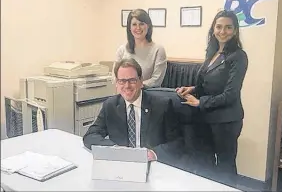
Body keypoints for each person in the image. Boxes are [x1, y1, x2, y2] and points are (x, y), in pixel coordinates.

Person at [176, 10, 248, 186]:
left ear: (235, 30)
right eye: (219, 26)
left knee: (225, 166)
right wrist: (192, 89)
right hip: (206, 116)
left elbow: (230, 94)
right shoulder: (213, 52)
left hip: (226, 121)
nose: (223, 31)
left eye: (228, 27)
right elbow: (207, 84)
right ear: (213, 29)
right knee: (206, 163)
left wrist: (200, 102)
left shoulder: (238, 56)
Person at [83, 58, 182, 163]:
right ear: (116, 83)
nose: (127, 86)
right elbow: (90, 136)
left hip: (153, 164)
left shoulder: (162, 105)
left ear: (141, 81)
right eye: (122, 81)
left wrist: (153, 153)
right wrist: (115, 149)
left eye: (132, 80)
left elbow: (178, 142)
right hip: (122, 164)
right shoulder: (110, 106)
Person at [115, 9, 167, 88]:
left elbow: (157, 80)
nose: (138, 28)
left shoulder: (158, 50)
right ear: (129, 27)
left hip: (148, 95)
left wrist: (134, 87)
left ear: (148, 26)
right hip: (125, 95)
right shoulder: (122, 50)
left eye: (141, 24)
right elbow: (115, 77)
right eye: (134, 24)